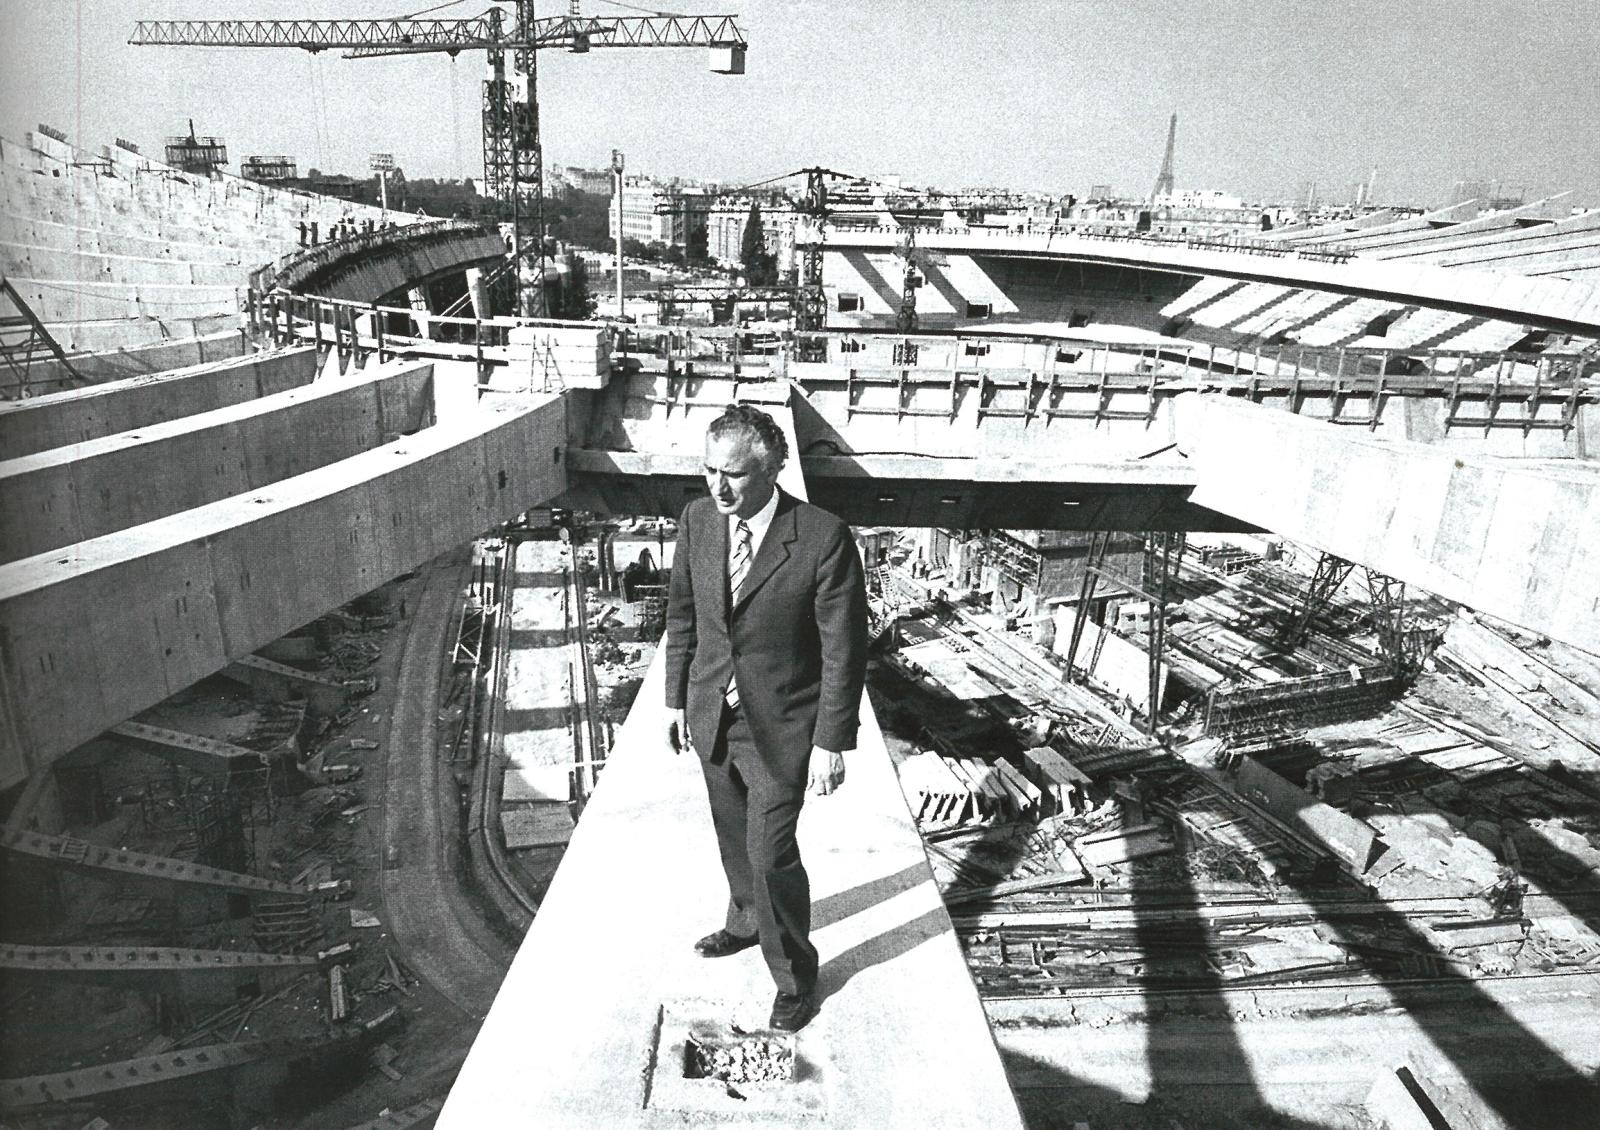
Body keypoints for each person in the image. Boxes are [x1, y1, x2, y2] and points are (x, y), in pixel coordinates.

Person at [663, 403, 867, 1033]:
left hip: (783, 726)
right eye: (707, 471)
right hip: (712, 714)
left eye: (733, 475)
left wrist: (832, 742)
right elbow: (683, 617)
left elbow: (843, 647)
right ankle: (745, 922)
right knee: (732, 836)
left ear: (773, 469)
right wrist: (675, 699)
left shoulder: (821, 536)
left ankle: (796, 979)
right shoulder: (698, 520)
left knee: (770, 852)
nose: (717, 488)